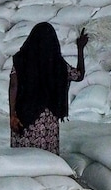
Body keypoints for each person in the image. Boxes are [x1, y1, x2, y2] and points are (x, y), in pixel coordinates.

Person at [9, 22, 88, 155]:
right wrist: (80, 49)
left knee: (23, 158)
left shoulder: (21, 59)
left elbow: (13, 86)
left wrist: (12, 115)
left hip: (24, 115)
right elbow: (78, 75)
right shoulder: (57, 64)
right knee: (46, 158)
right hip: (48, 118)